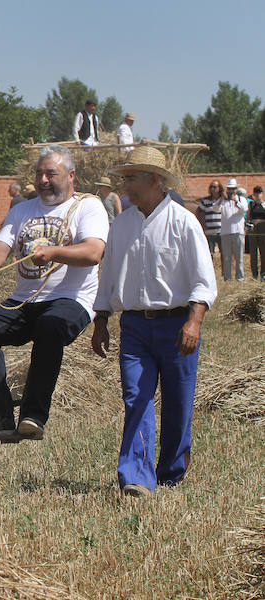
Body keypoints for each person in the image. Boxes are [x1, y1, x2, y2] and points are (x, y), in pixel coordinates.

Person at [91, 146, 217, 497]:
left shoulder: (183, 222)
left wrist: (194, 323)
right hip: (134, 327)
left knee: (178, 402)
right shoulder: (122, 225)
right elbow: (110, 275)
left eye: (131, 178)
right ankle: (136, 477)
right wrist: (101, 319)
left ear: (155, 179)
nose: (125, 185)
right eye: (125, 178)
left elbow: (204, 281)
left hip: (177, 326)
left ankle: (172, 470)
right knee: (137, 397)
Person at [0, 145, 108, 442]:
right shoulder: (21, 211)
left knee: (50, 326)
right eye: (39, 173)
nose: (42, 180)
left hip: (72, 299)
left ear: (71, 175)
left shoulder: (88, 207)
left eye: (50, 173)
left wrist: (54, 252)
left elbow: (93, 252)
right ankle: (0, 417)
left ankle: (33, 415)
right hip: (25, 300)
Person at [220, 178, 247, 281]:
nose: (231, 191)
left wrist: (236, 201)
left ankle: (240, 278)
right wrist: (222, 199)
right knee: (227, 258)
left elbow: (244, 209)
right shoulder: (223, 201)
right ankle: (228, 278)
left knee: (239, 257)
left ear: (236, 189)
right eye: (229, 189)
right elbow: (215, 209)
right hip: (225, 232)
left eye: (233, 189)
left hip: (238, 232)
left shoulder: (241, 199)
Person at [196, 180, 223, 256]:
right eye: (211, 187)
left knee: (223, 254)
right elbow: (199, 212)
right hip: (209, 231)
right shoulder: (205, 201)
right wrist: (202, 224)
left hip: (221, 231)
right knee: (209, 253)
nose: (212, 189)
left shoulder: (223, 200)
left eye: (214, 187)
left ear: (219, 188)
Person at [249, 186, 265, 281]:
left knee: (263, 252)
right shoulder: (251, 205)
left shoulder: (264, 205)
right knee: (253, 253)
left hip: (262, 228)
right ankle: (254, 274)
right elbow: (249, 216)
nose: (258, 195)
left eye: (259, 193)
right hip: (253, 229)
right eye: (256, 193)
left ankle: (263, 273)